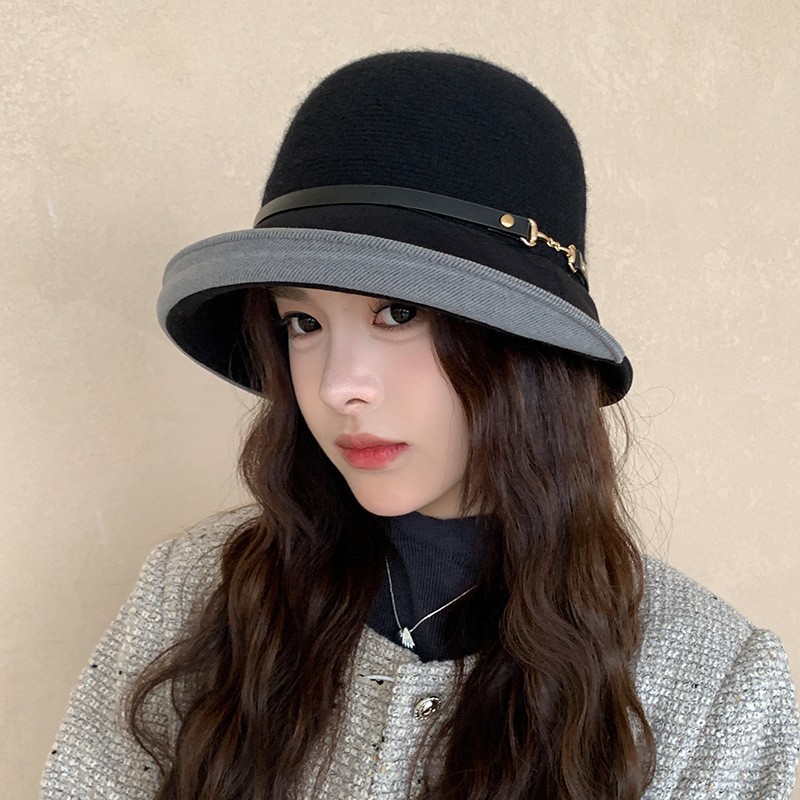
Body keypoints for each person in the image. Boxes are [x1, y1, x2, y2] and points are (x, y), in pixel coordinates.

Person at [39, 49, 799, 800]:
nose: (337, 386)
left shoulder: (719, 687)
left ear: (527, 349)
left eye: (398, 313)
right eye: (303, 322)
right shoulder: (193, 592)